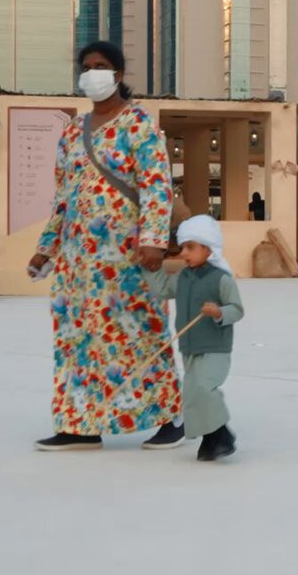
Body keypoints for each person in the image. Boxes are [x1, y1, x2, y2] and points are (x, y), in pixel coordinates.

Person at [28, 41, 183, 452]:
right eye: (85, 66)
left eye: (99, 66)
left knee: (140, 331)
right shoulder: (73, 131)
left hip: (127, 256)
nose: (91, 73)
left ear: (118, 74)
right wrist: (46, 247)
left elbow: (156, 186)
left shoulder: (138, 123)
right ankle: (80, 424)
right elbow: (63, 195)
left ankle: (169, 417)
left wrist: (153, 240)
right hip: (78, 262)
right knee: (77, 339)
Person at [146, 214, 241, 461]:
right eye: (182, 247)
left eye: (190, 247)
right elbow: (162, 289)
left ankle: (222, 435)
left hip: (214, 347)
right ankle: (211, 440)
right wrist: (151, 268)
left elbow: (237, 309)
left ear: (208, 249)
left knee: (204, 388)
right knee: (192, 394)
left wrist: (219, 312)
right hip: (189, 346)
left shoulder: (221, 279)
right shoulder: (184, 277)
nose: (184, 254)